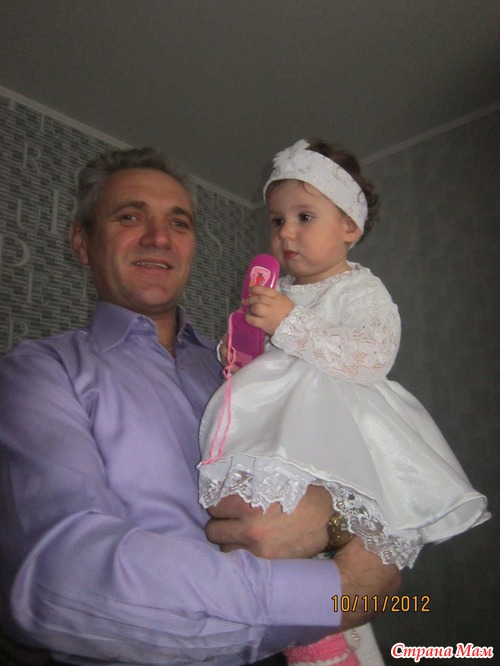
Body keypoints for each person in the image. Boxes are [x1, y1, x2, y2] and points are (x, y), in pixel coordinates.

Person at [0, 147, 401, 666]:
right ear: (82, 242)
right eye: (130, 217)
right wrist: (333, 592)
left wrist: (337, 525)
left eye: (179, 223)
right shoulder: (36, 373)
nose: (159, 237)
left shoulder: (255, 370)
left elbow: (346, 464)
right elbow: (60, 578)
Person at [198, 139, 490, 665]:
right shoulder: (278, 291)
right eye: (277, 220)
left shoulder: (360, 291)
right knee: (269, 523)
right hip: (278, 429)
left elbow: (370, 358)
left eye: (304, 217)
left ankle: (326, 642)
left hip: (336, 436)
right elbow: (261, 358)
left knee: (331, 543)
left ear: (349, 227)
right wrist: (238, 345)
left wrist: (289, 321)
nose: (286, 232)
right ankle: (313, 635)